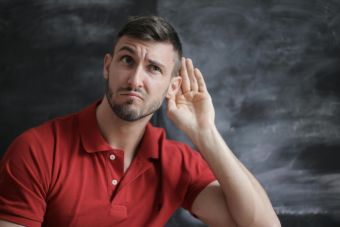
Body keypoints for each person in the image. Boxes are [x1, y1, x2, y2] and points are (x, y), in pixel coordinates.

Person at [0, 16, 280, 227]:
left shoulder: (176, 163)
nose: (135, 80)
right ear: (107, 66)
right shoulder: (36, 150)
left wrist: (205, 132)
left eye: (154, 69)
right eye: (126, 60)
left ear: (173, 86)